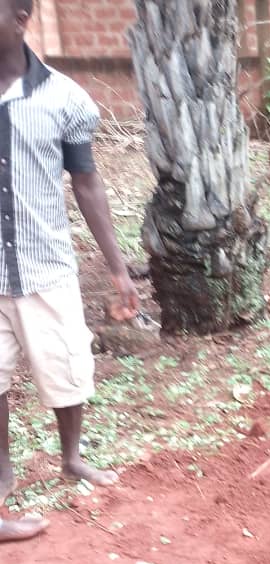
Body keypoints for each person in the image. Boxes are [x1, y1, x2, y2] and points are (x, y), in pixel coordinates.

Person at [0, 0, 140, 533]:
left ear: (20, 18)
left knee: (66, 366)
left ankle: (72, 456)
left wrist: (118, 268)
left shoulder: (64, 99)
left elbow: (86, 183)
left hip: (45, 265)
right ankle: (3, 475)